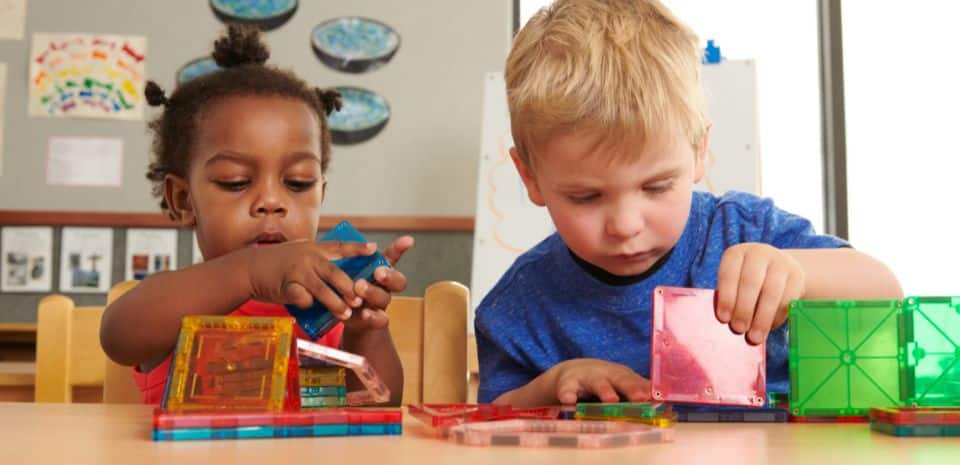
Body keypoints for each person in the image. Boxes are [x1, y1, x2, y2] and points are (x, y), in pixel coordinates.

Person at [475, 0, 902, 407]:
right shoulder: (519, 306)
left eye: (656, 187)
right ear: (530, 177)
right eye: (586, 197)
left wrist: (798, 273)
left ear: (699, 151)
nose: (625, 225)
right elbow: (494, 416)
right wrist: (550, 387)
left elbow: (886, 293)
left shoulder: (743, 230)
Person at [100, 25, 412, 405]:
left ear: (321, 193)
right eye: (236, 182)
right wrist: (251, 271)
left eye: (297, 183)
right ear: (183, 199)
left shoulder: (327, 307)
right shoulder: (174, 305)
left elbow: (379, 403)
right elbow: (118, 336)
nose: (271, 201)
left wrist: (364, 331)